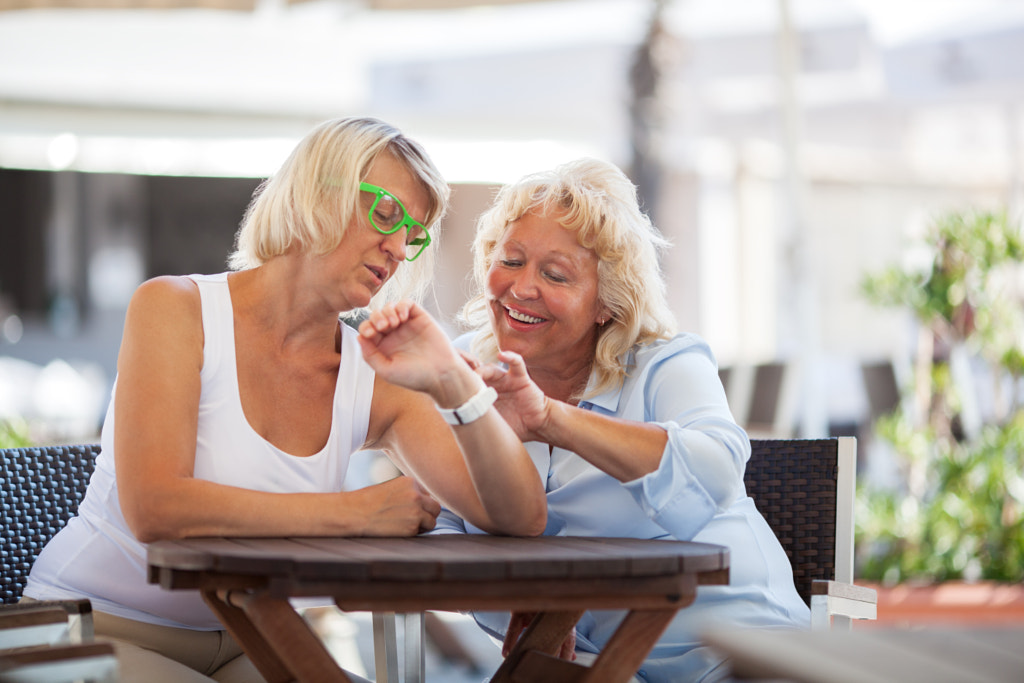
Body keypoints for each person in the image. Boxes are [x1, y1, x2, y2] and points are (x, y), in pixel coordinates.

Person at [23, 117, 546, 683]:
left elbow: (518, 516)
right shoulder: (174, 309)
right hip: (95, 626)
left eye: (412, 234)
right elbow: (156, 509)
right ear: (316, 194)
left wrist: (454, 384)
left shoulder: (374, 369)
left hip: (258, 638)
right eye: (386, 214)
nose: (398, 249)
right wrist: (355, 514)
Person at [435, 158, 809, 682]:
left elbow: (717, 469)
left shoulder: (663, 361)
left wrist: (550, 419)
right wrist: (524, 590)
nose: (521, 288)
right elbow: (437, 525)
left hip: (737, 656)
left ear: (605, 304)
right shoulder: (464, 370)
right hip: (590, 667)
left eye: (555, 274)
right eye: (511, 260)